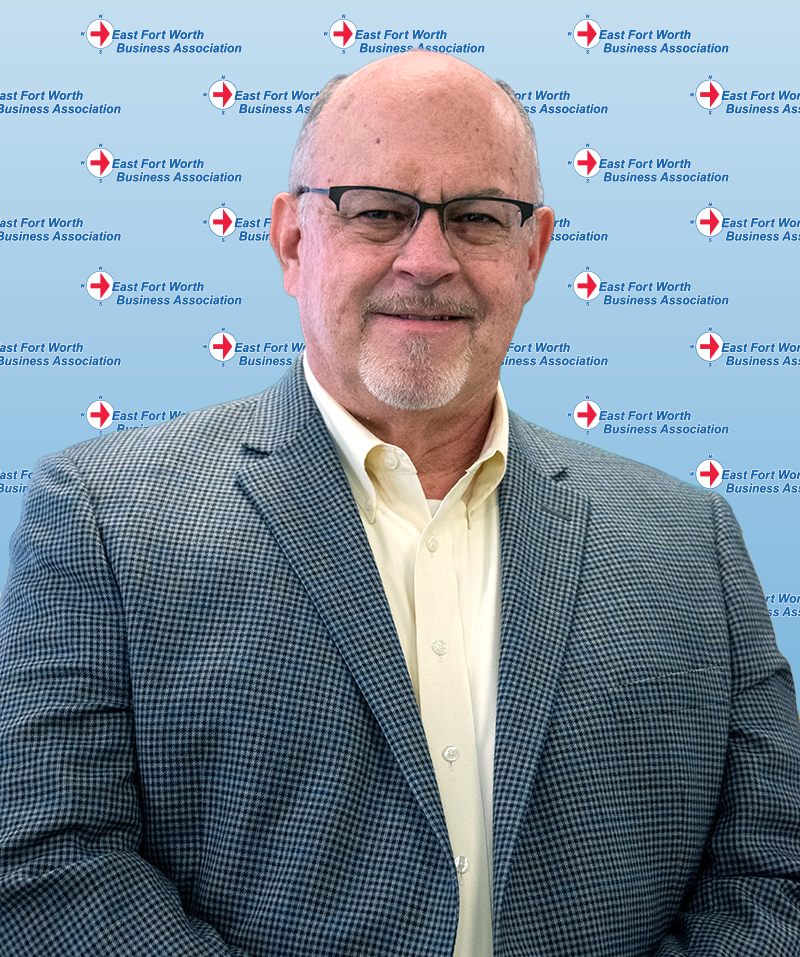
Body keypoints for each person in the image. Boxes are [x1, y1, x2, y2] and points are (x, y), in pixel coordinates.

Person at [1, 51, 798, 957]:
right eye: (377, 211)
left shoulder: (691, 542)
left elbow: (773, 874)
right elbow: (49, 860)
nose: (427, 260)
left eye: (478, 217)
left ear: (533, 253)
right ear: (293, 242)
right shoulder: (103, 519)